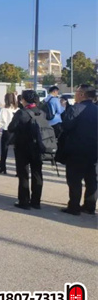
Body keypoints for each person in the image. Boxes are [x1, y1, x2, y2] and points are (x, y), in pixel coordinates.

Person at [59, 85, 97, 215]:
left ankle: (74, 207)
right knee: (91, 179)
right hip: (93, 149)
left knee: (74, 179)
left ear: (82, 94)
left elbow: (66, 126)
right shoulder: (96, 109)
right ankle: (89, 206)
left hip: (76, 149)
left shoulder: (76, 109)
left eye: (77, 92)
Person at [7, 90, 44, 210]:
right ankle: (36, 201)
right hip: (38, 146)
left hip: (23, 147)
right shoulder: (41, 112)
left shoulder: (21, 113)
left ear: (24, 100)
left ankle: (24, 201)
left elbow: (11, 127)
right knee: (37, 173)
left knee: (23, 174)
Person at [0, 92, 19, 174]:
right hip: (16, 132)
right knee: (17, 152)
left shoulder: (4, 110)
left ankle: (3, 167)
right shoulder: (17, 110)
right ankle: (18, 170)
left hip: (7, 131)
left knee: (4, 150)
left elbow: (0, 122)